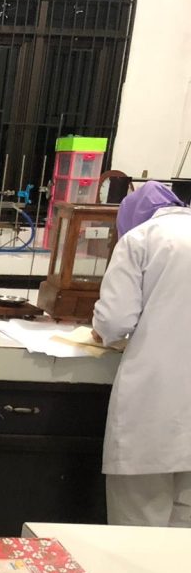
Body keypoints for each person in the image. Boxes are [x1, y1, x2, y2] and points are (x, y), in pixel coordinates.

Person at [92, 182, 191, 528]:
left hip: (153, 411)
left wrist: (102, 331)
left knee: (137, 533)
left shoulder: (140, 239)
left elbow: (114, 322)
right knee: (184, 541)